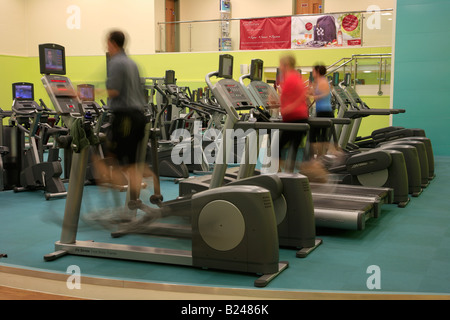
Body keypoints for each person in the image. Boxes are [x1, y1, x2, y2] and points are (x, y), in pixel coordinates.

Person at [93, 30, 148, 204]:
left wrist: (93, 93)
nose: (106, 47)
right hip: (139, 116)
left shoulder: (115, 62)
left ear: (112, 43)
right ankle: (138, 202)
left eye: (107, 43)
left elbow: (115, 91)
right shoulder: (132, 63)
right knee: (131, 163)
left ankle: (115, 192)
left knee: (110, 159)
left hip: (125, 117)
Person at [270, 54, 309, 173]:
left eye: (280, 64)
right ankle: (285, 173)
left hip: (294, 119)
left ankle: (314, 171)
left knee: (276, 149)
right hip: (298, 118)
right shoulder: (295, 76)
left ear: (285, 65)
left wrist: (284, 108)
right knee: (289, 149)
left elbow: (293, 101)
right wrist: (280, 105)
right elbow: (297, 98)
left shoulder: (290, 78)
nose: (279, 67)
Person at [309, 64, 334, 158]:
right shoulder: (319, 81)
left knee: (315, 134)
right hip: (322, 111)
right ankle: (320, 156)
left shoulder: (323, 81)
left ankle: (319, 156)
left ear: (318, 71)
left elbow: (325, 94)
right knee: (319, 135)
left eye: (314, 71)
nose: (313, 73)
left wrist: (314, 96)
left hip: (325, 111)